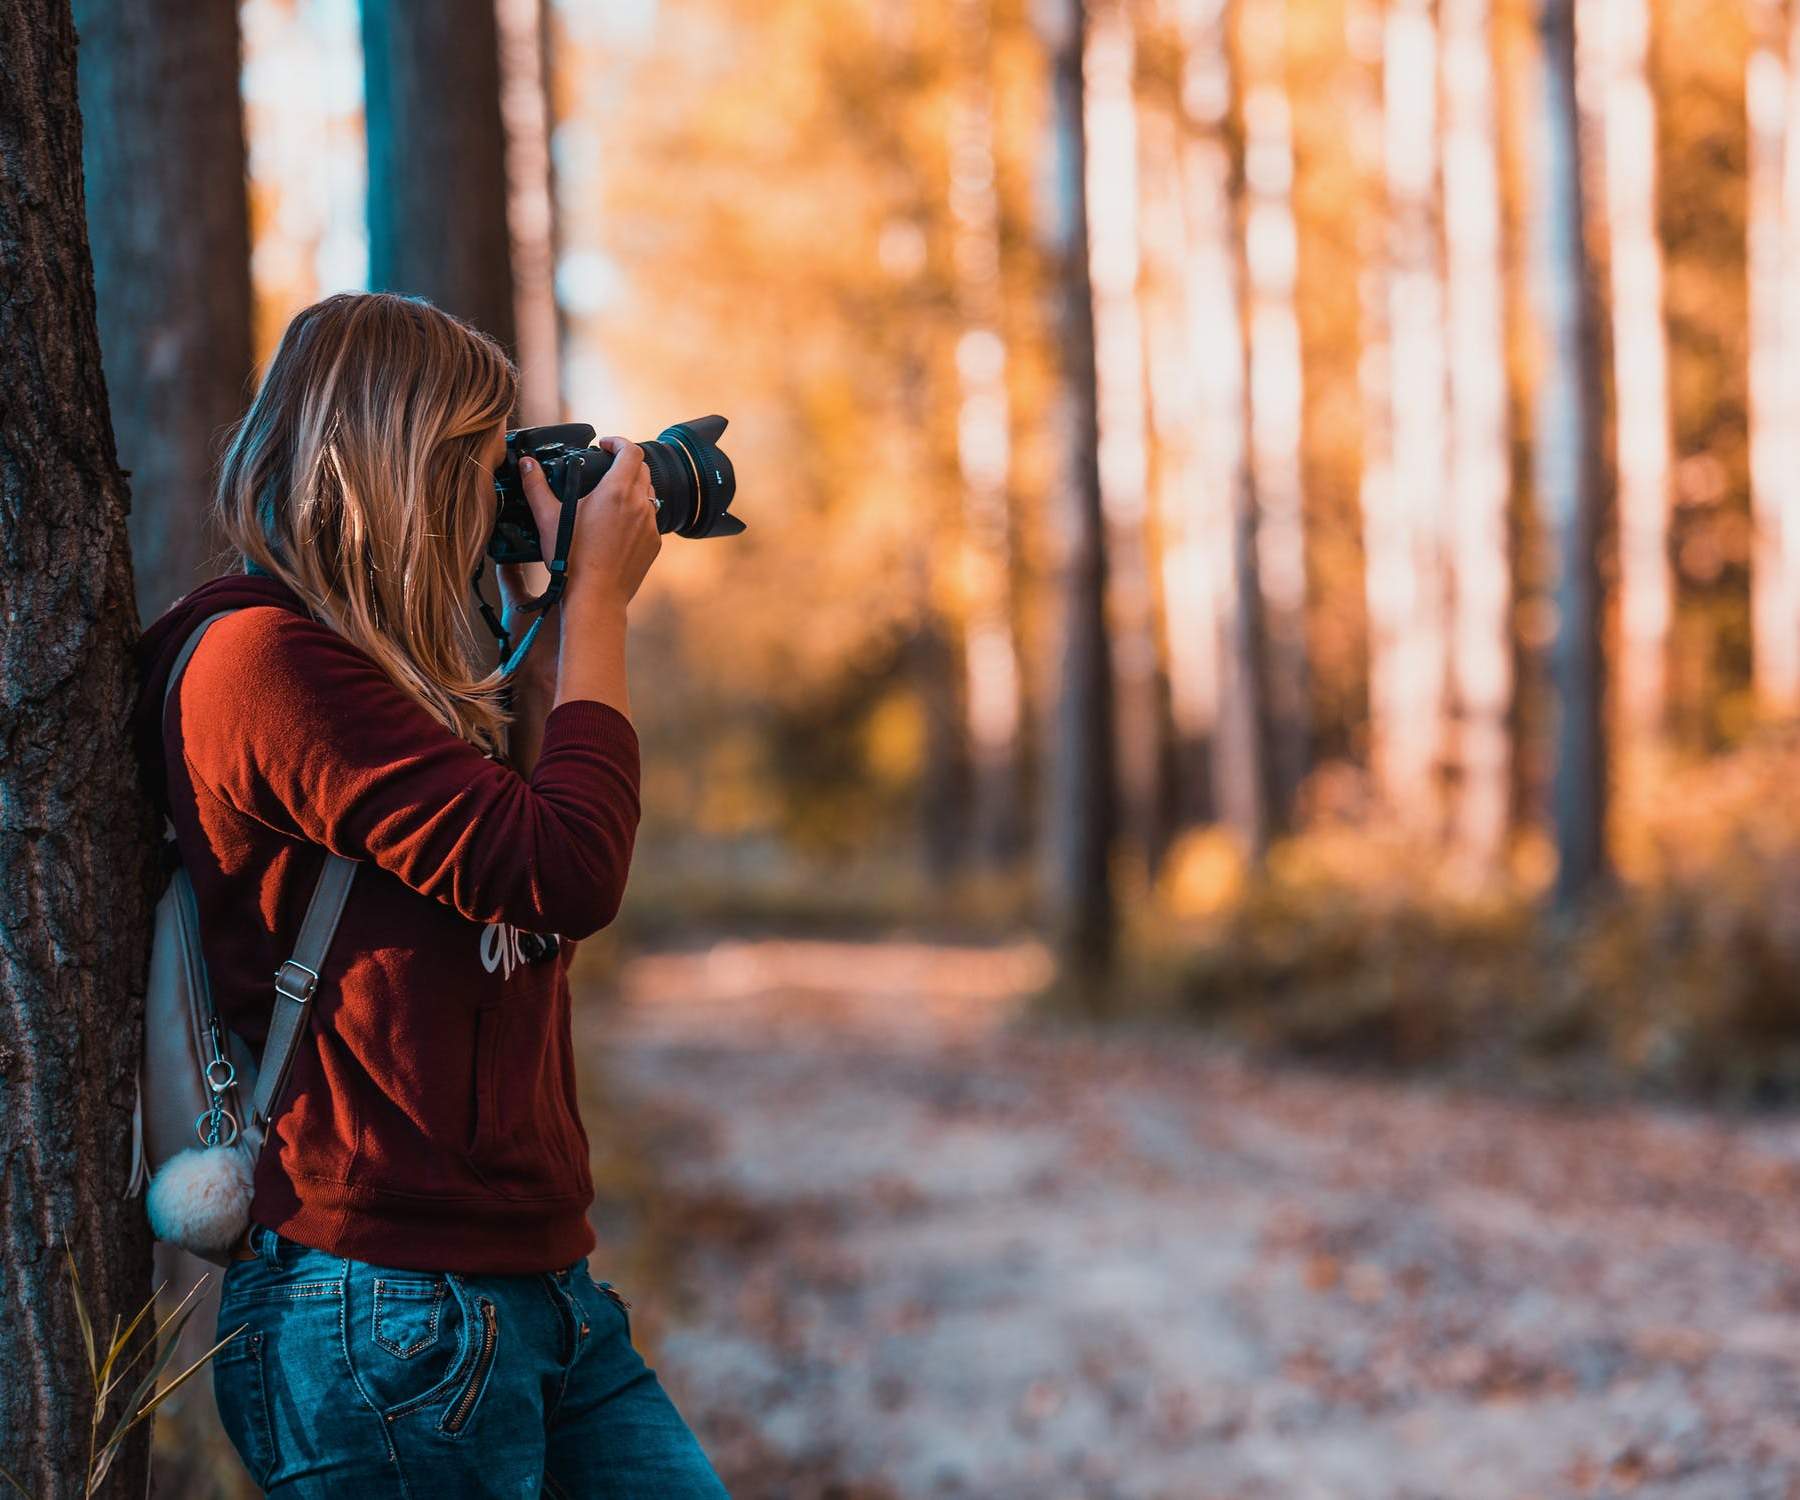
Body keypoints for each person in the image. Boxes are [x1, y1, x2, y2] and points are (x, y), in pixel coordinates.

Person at [130, 291, 730, 1498]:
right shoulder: (263, 663)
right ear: (407, 465)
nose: (496, 488)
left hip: (532, 1292)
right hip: (382, 1308)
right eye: (479, 456)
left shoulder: (382, 680)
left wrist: (543, 622)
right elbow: (568, 871)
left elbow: (514, 874)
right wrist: (601, 603)